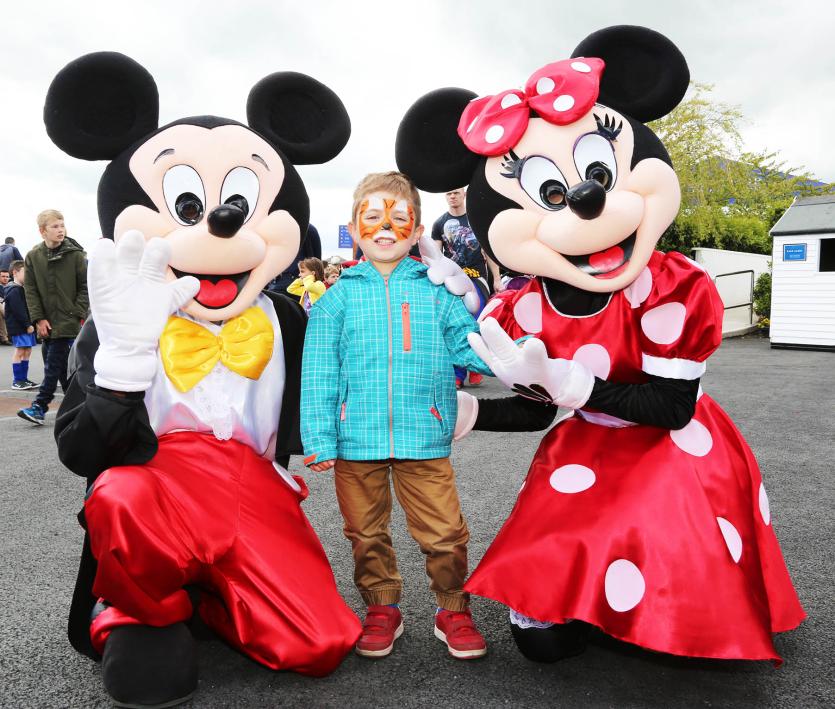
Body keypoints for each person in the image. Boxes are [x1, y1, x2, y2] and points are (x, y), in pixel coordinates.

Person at [301, 171, 492, 661]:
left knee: (446, 532)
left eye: (398, 219)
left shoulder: (436, 290)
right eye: (373, 218)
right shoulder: (336, 297)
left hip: (424, 434)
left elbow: (467, 345)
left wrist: (506, 359)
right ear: (354, 226)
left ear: (415, 228)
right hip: (354, 438)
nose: (385, 227)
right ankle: (382, 605)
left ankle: (453, 609)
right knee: (365, 533)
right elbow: (320, 371)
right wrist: (319, 436)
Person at [17, 210, 88, 425]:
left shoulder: (76, 255)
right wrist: (38, 319)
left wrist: (76, 312)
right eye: (55, 226)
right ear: (42, 231)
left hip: (68, 319)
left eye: (62, 225)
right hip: (45, 322)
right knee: (61, 368)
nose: (61, 230)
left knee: (52, 364)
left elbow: (85, 287)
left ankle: (39, 406)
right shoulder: (33, 256)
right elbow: (30, 290)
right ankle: (79, 406)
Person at [431, 187, 501, 388]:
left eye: (455, 192)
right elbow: (436, 257)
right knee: (454, 324)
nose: (452, 196)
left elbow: (488, 252)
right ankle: (458, 373)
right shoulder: (439, 223)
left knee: (475, 321)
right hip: (452, 280)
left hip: (477, 278)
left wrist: (496, 279)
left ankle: (475, 367)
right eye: (448, 193)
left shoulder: (476, 219)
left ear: (463, 195)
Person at [5, 261, 39, 389]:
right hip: (19, 327)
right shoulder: (13, 290)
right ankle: (17, 381)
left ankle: (24, 379)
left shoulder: (20, 289)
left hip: (25, 326)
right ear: (15, 272)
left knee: (27, 350)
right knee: (20, 351)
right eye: (26, 272)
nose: (28, 275)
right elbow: (18, 310)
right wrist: (27, 324)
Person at [0, 269, 11, 345]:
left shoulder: (12, 286)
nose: (5, 278)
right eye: (3, 276)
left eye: (7, 277)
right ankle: (4, 338)